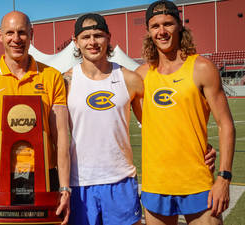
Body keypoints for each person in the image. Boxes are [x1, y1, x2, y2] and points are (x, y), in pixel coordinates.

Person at [135, 1, 235, 224]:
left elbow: (226, 124)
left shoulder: (201, 68)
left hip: (197, 182)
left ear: (179, 26)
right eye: (155, 26)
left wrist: (224, 178)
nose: (162, 31)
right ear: (148, 31)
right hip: (156, 184)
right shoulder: (140, 76)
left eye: (168, 24)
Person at [0, 11, 71, 225]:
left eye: (22, 33)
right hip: (0, 178)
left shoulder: (51, 77)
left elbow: (60, 135)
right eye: (10, 33)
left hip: (44, 176)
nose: (16, 39)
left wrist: (64, 187)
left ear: (31, 34)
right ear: (0, 36)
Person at [64, 13, 144, 225]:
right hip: (79, 182)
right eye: (86, 37)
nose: (92, 42)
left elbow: (156, 126)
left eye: (98, 35)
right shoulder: (65, 82)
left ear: (108, 37)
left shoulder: (130, 79)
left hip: (121, 181)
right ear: (76, 41)